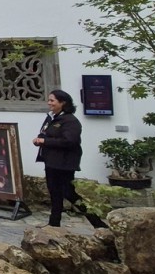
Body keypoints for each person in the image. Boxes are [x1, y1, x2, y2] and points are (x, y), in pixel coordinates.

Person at [33, 89, 107, 228]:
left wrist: (45, 142)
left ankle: (98, 223)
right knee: (54, 193)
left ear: (62, 102)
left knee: (69, 193)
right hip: (51, 161)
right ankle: (54, 223)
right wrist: (40, 139)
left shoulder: (70, 121)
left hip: (64, 163)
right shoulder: (51, 118)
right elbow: (45, 134)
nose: (49, 103)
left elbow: (69, 141)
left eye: (52, 100)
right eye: (49, 100)